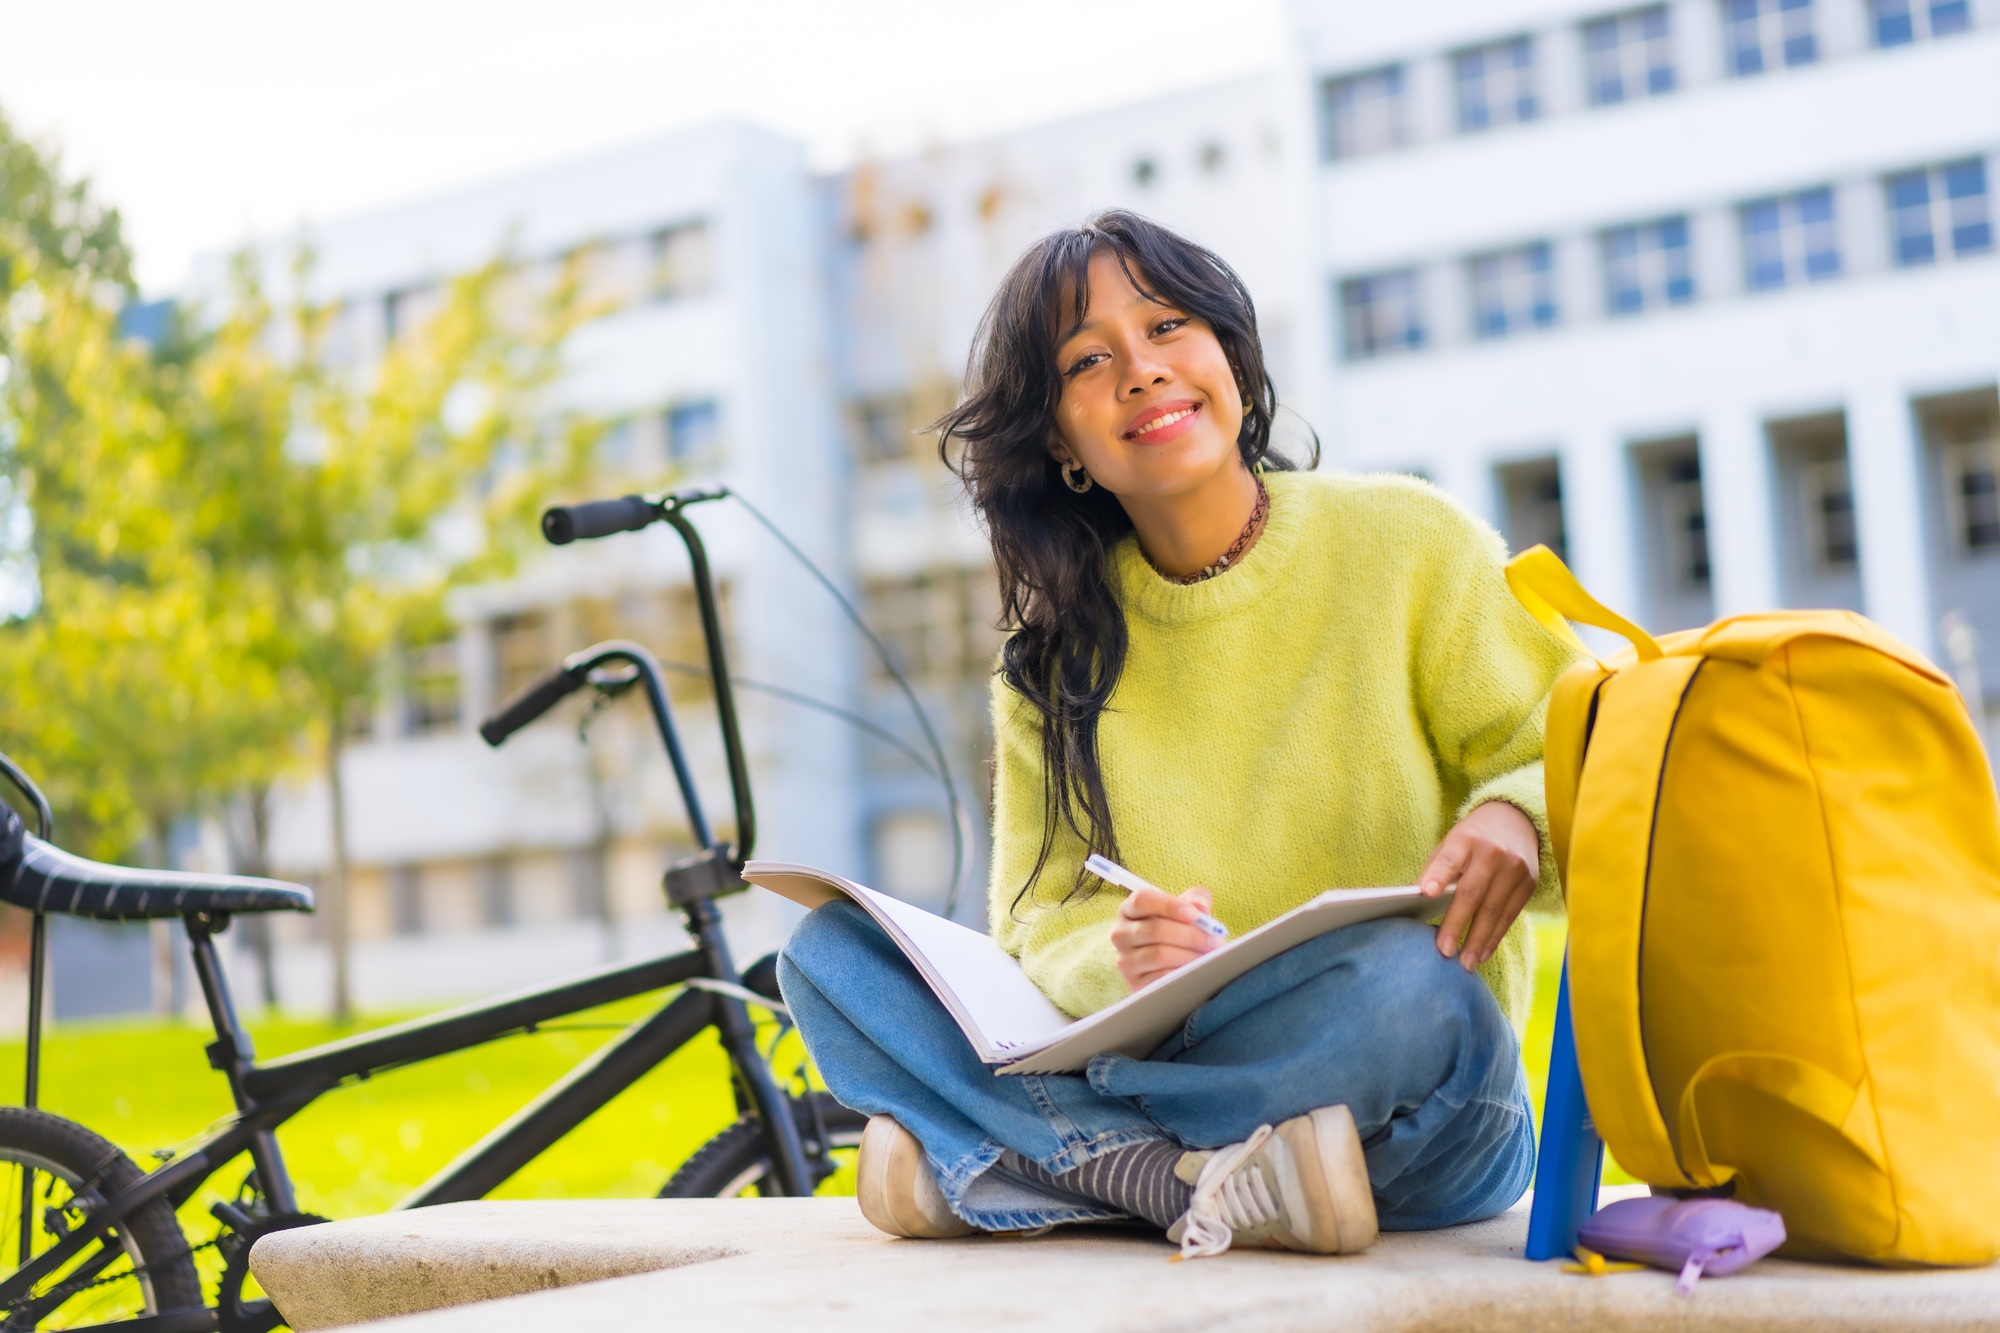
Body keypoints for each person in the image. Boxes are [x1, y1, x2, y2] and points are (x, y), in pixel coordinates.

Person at [778, 210, 1577, 1258]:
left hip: (1408, 1099)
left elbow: (1581, 752)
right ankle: (1180, 1181)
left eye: (1165, 328)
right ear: (1059, 440)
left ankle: (1032, 1162)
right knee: (831, 954)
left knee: (1414, 987)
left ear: (1230, 358)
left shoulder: (1408, 542)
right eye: (1088, 360)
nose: (1141, 373)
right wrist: (1123, 962)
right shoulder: (1050, 654)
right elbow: (1036, 919)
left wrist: (1516, 818)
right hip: (1168, 1051)